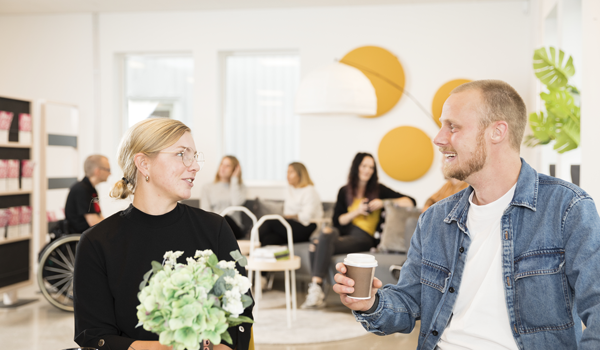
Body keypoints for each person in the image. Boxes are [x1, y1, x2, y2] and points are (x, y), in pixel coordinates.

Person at [333, 80, 600, 349]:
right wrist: (371, 303)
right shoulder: (434, 220)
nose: (438, 138)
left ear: (497, 132)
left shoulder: (567, 208)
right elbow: (409, 302)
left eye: (453, 126)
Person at [73, 118, 253, 350]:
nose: (195, 166)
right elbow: (94, 335)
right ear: (144, 164)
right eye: (181, 154)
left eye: (195, 156)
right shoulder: (96, 243)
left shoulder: (215, 228)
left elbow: (240, 310)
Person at [301, 152, 416, 309]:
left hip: (364, 238)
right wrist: (357, 211)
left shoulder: (378, 190)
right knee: (326, 233)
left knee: (317, 243)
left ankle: (316, 289)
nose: (367, 170)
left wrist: (383, 202)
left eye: (371, 167)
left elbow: (410, 201)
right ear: (357, 167)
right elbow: (338, 220)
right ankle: (317, 287)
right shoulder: (344, 191)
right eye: (364, 166)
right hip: (344, 235)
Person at [258, 162, 323, 246]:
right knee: (268, 239)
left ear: (300, 174)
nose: (288, 175)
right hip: (292, 225)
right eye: (287, 172)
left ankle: (250, 242)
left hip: (307, 227)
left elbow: (307, 217)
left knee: (269, 222)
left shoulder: (309, 191)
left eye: (291, 172)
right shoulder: (290, 190)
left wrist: (292, 216)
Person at [201, 155, 247, 239]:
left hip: (234, 228)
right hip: (215, 225)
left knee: (224, 218)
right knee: (218, 220)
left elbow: (236, 203)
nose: (223, 168)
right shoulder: (207, 187)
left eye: (228, 166)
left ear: (235, 169)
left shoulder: (240, 187)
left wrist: (234, 180)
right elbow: (205, 211)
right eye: (222, 164)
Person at [65, 154, 110, 233]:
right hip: (80, 235)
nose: (110, 173)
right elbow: (93, 222)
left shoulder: (91, 189)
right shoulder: (82, 190)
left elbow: (98, 216)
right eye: (108, 170)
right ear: (98, 171)